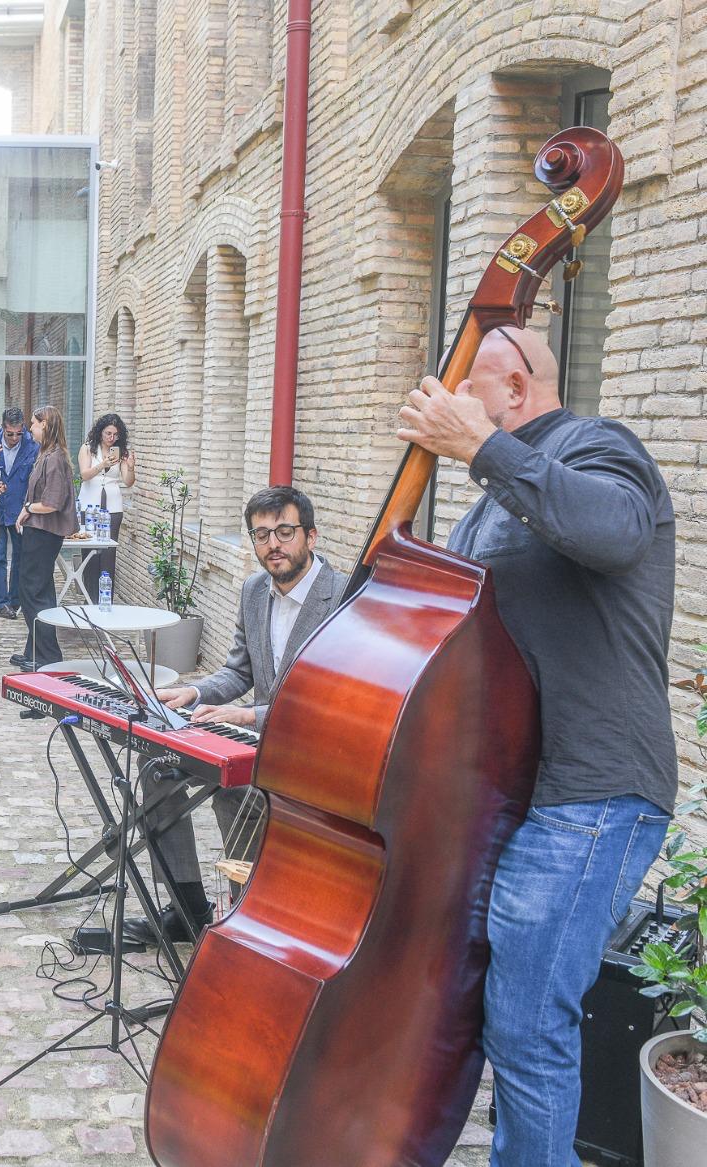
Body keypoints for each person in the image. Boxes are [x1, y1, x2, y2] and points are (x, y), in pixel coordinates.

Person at [396, 325, 675, 1167]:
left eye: (465, 390)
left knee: (527, 1027)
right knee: (507, 1024)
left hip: (591, 792)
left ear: (514, 388)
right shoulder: (488, 504)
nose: (450, 406)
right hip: (515, 796)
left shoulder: (601, 448)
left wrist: (481, 446)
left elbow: (614, 531)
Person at [143, 485, 347, 935]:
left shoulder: (344, 598)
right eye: (261, 535)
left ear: (311, 536)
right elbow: (239, 672)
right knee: (158, 766)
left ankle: (251, 912)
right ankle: (186, 907)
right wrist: (193, 692)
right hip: (259, 742)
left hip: (317, 755)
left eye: (285, 532)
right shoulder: (254, 590)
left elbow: (333, 703)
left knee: (235, 788)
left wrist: (247, 716)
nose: (273, 544)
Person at [11, 405, 77, 670]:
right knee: (39, 592)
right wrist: (26, 510)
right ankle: (34, 650)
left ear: (46, 425)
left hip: (44, 533)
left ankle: (47, 656)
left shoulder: (55, 458)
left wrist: (28, 508)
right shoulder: (45, 454)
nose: (30, 428)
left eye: (34, 423)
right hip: (38, 530)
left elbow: (51, 503)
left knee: (34, 594)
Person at [77, 412, 136, 602]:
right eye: (108, 433)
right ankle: (89, 598)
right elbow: (84, 475)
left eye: (115, 435)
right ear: (100, 432)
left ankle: (105, 600)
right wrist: (102, 464)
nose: (111, 438)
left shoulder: (121, 452)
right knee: (90, 553)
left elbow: (128, 482)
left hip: (113, 506)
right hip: (89, 506)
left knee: (109, 554)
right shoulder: (88, 449)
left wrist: (130, 467)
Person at [0, 406, 38, 619]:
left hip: (20, 511)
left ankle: (16, 600)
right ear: (3, 427)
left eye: (19, 433)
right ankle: (1, 603)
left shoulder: (32, 446)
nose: (15, 438)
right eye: (10, 434)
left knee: (20, 556)